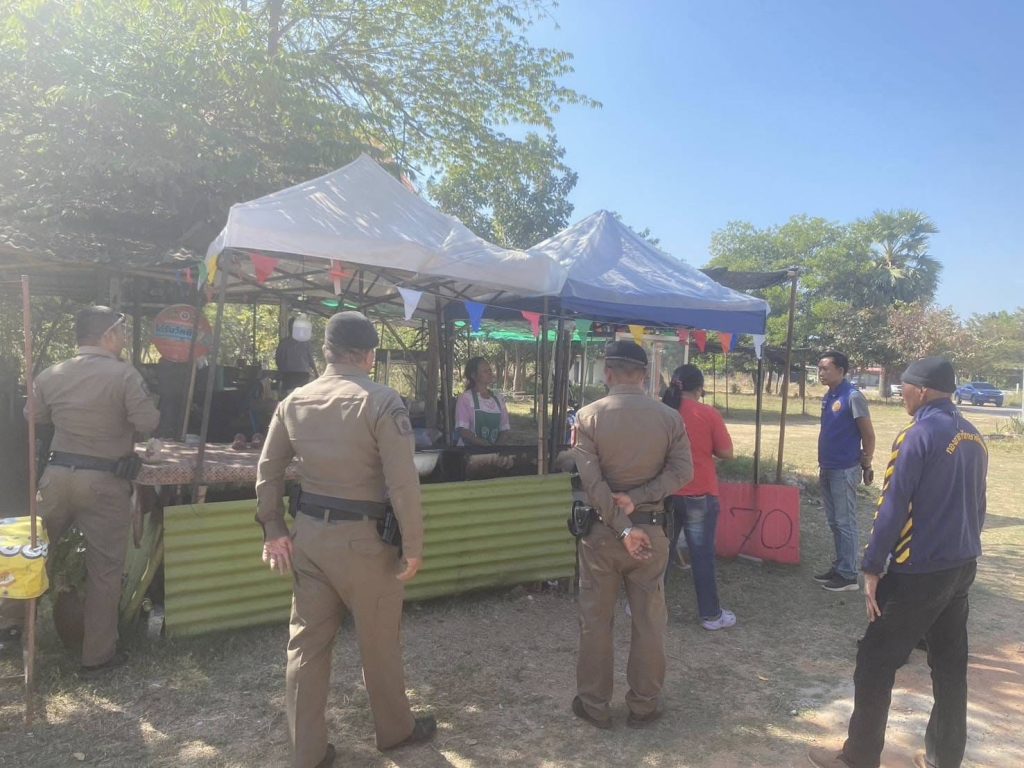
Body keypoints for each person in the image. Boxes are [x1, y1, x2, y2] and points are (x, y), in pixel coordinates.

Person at [256, 311, 435, 768]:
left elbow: (268, 470)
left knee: (306, 647)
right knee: (379, 642)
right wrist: (414, 546)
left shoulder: (294, 400)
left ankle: (307, 751)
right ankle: (395, 731)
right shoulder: (382, 401)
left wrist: (273, 528)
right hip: (367, 544)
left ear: (326, 352)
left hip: (310, 538)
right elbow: (403, 482)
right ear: (370, 355)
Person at [808, 357, 988, 768]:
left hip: (919, 571)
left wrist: (872, 566)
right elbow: (978, 504)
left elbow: (893, 506)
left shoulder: (917, 435)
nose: (901, 393)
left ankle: (858, 758)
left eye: (905, 385)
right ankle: (944, 758)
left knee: (875, 661)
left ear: (921, 390)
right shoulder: (973, 436)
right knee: (949, 665)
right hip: (961, 565)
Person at [0, 307, 160, 672]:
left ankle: (9, 628)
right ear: (107, 336)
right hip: (104, 481)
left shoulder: (51, 374)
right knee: (105, 569)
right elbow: (147, 421)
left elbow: (32, 416)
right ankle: (98, 655)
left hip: (56, 477)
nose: (123, 340)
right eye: (120, 333)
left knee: (32, 553)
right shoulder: (124, 375)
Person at [571, 340, 693, 729]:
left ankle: (594, 705)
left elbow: (593, 485)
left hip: (602, 534)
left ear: (607, 372)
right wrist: (639, 499)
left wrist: (622, 526)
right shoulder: (669, 418)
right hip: (651, 532)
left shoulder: (588, 417)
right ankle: (644, 704)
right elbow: (683, 472)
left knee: (596, 621)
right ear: (645, 374)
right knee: (649, 622)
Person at [661, 364, 736, 631]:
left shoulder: (661, 412)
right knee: (701, 557)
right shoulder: (707, 414)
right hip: (699, 494)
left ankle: (641, 606)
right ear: (699, 388)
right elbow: (726, 452)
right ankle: (711, 615)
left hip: (665, 492)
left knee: (660, 553)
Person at [815, 350, 876, 592]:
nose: (821, 373)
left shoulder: (852, 397)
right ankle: (840, 566)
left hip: (844, 469)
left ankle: (849, 575)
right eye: (819, 368)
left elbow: (868, 435)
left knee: (845, 522)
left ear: (840, 371)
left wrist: (867, 463)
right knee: (834, 522)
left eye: (825, 368)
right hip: (827, 466)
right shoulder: (829, 396)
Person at [454, 356, 510, 447]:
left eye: (490, 370)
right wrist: (484, 445)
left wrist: (497, 447)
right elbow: (463, 430)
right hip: (469, 452)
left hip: (494, 452)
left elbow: (505, 429)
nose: (490, 373)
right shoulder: (465, 398)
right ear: (473, 375)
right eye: (485, 371)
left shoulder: (499, 398)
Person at [275, 317, 318, 396]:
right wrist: (316, 373)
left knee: (290, 396)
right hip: (299, 374)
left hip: (291, 375)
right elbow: (310, 360)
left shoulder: (284, 343)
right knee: (300, 396)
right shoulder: (304, 342)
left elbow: (278, 359)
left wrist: (281, 371)